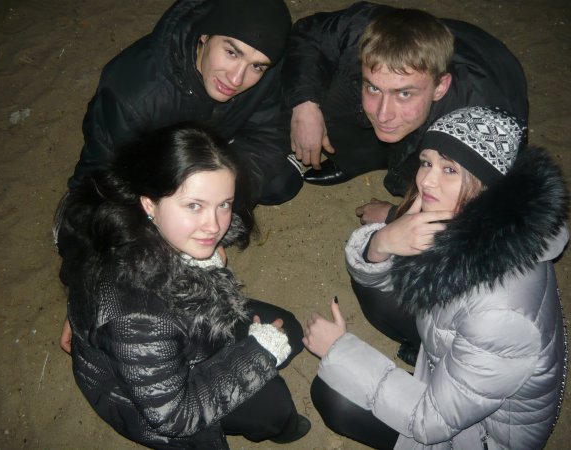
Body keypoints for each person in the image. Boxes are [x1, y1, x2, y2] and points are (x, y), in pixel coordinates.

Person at [303, 106, 568, 449]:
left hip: (482, 437)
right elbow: (378, 275)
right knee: (376, 279)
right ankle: (424, 354)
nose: (426, 180)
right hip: (464, 350)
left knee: (334, 394)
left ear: (488, 187)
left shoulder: (501, 315)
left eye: (449, 169)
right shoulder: (470, 224)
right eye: (426, 162)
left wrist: (340, 350)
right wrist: (383, 241)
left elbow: (432, 422)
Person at [54, 124, 310, 448]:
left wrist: (78, 307)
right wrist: (258, 354)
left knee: (290, 329)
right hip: (161, 396)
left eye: (224, 204)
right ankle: (280, 425)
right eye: (194, 206)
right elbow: (175, 416)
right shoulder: (136, 318)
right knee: (274, 409)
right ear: (149, 204)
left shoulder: (134, 217)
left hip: (189, 333)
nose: (214, 226)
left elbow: (78, 241)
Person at [281, 3, 528, 219]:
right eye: (374, 87)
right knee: (332, 92)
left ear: (440, 87)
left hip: (488, 66)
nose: (383, 113)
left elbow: (490, 213)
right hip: (431, 44)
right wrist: (304, 106)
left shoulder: (483, 121)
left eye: (404, 94)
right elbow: (309, 34)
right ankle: (357, 160)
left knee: (437, 174)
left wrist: (394, 216)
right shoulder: (364, 32)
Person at [68, 0, 301, 206]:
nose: (236, 79)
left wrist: (222, 194)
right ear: (205, 35)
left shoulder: (266, 70)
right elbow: (100, 169)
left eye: (256, 66)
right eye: (232, 52)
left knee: (280, 182)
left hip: (217, 142)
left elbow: (268, 134)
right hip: (155, 164)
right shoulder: (135, 95)